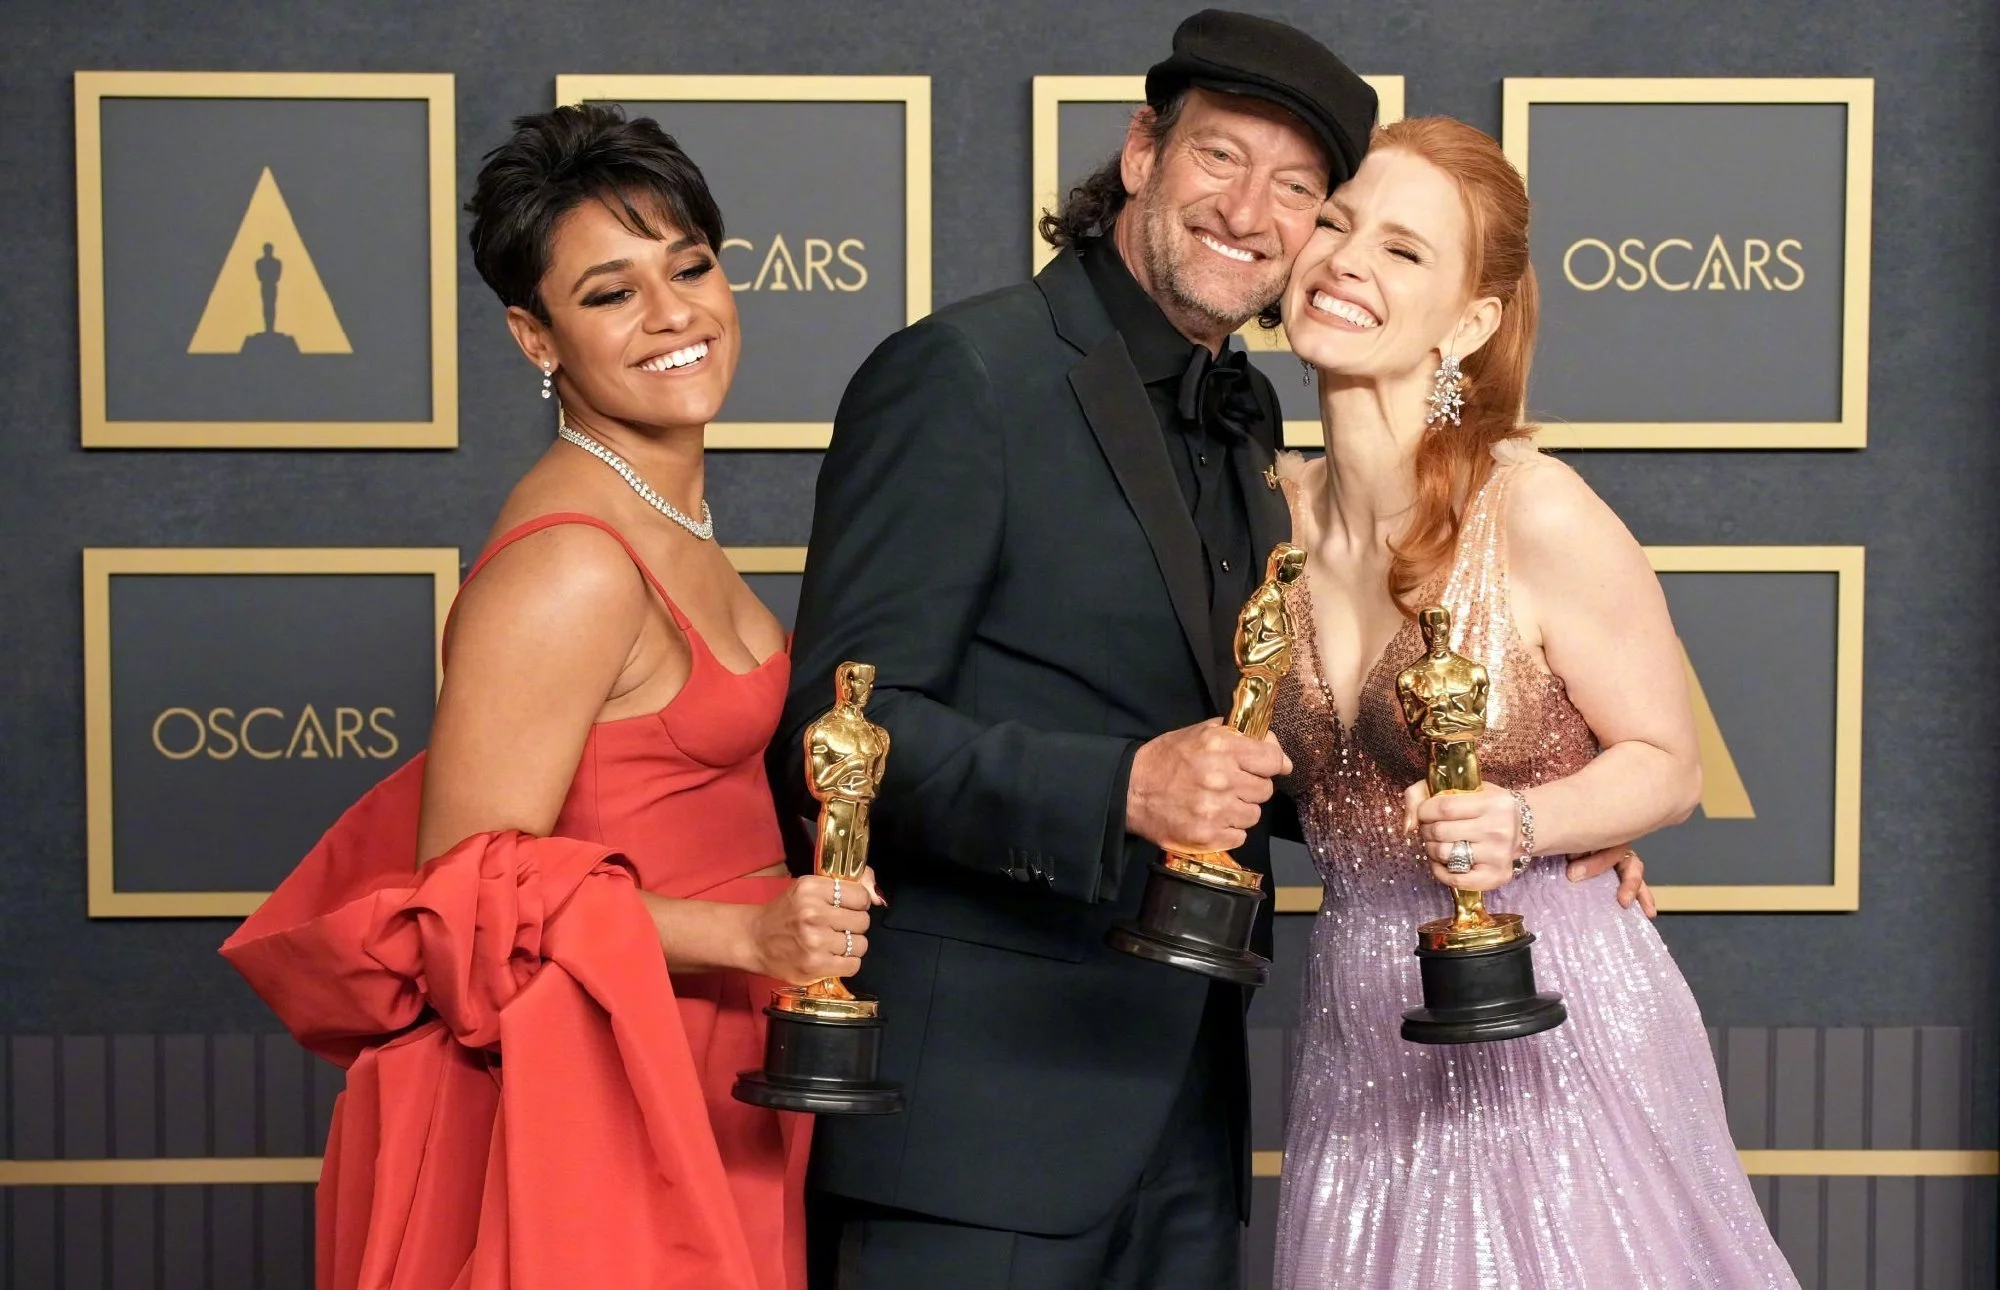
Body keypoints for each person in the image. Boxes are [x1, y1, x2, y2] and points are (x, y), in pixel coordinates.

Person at [778, 13, 1645, 1288]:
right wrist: (1116, 788)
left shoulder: (1250, 430)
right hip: (974, 1128)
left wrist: (1539, 799)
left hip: (1187, 1117)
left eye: (1299, 189)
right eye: (1219, 158)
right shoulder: (961, 374)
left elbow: (1250, 745)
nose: (1252, 210)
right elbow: (836, 732)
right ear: (1139, 154)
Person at [220, 105, 876, 1290]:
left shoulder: (667, 511)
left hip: (706, 1049)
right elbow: (464, 889)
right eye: (611, 293)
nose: (675, 315)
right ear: (536, 337)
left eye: (689, 267)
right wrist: (743, 933)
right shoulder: (568, 560)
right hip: (599, 1072)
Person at [1268, 115, 1796, 1287]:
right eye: (1340, 222)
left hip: (1548, 1017)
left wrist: (1526, 827)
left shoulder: (1536, 510)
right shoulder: (1264, 522)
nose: (1347, 259)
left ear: (1469, 321)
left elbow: (1667, 761)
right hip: (1360, 1036)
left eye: (1404, 251)